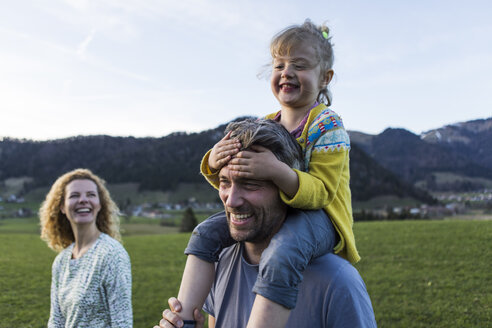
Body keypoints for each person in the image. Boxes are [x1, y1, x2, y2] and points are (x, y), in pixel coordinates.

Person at [176, 19, 359, 327]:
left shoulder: (328, 125)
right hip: (282, 210)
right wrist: (215, 160)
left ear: (325, 77)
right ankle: (182, 318)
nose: (286, 72)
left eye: (299, 65)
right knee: (205, 232)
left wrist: (276, 171)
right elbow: (236, 178)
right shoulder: (267, 122)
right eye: (279, 65)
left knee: (284, 250)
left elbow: (323, 193)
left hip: (322, 219)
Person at [155, 119, 376, 328]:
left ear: (287, 189)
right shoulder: (218, 263)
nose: (231, 200)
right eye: (224, 182)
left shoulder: (338, 282)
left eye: (250, 184)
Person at [40, 168, 133, 328]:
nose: (83, 200)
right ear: (62, 206)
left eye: (91, 195)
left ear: (99, 205)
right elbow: (56, 320)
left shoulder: (112, 254)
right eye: (74, 195)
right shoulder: (61, 261)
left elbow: (122, 323)